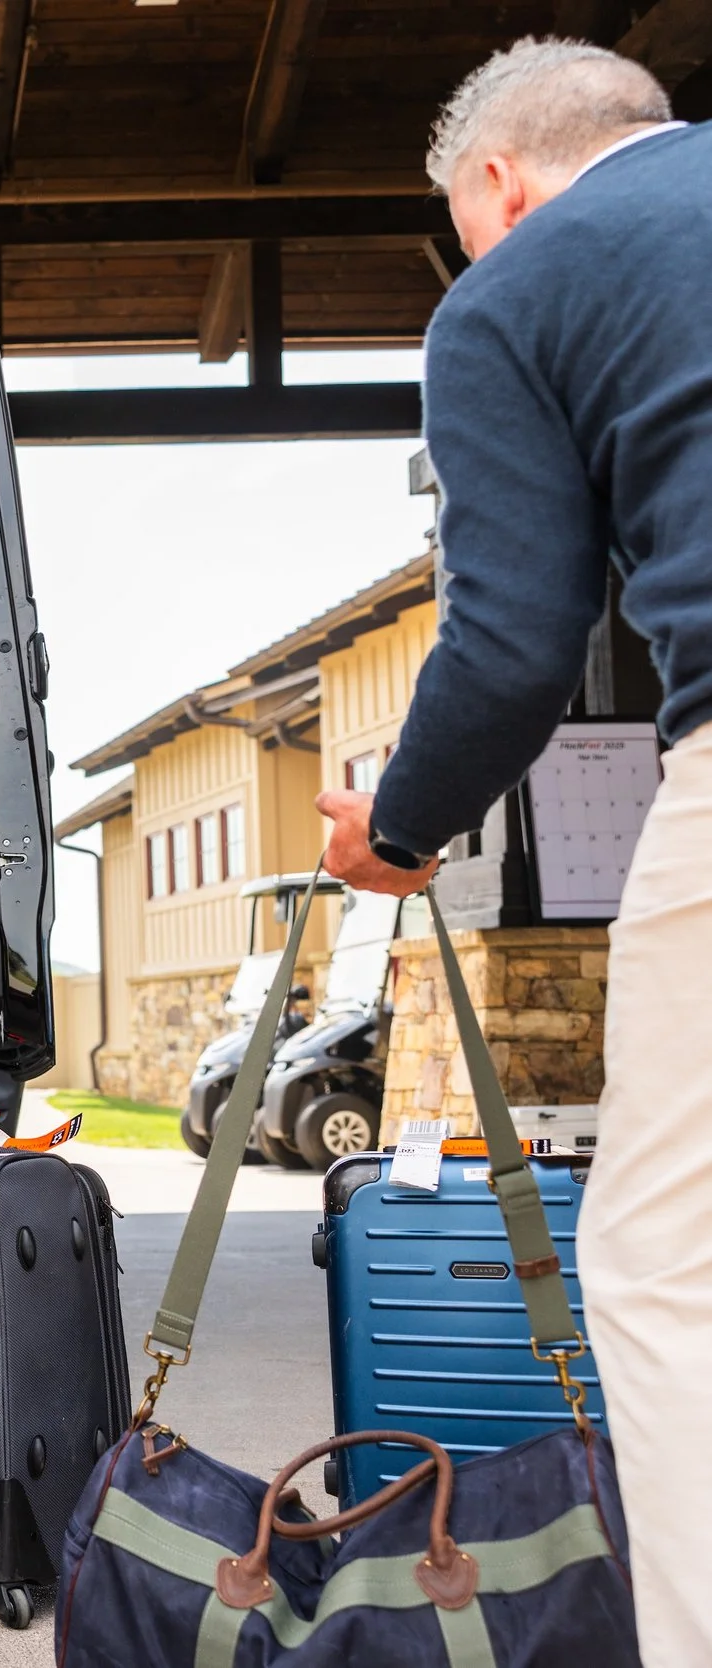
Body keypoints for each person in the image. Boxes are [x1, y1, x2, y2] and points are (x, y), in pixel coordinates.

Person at [314, 39, 703, 1662]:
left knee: (666, 1258)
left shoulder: (518, 288)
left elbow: (515, 640)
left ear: (499, 182)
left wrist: (398, 830)